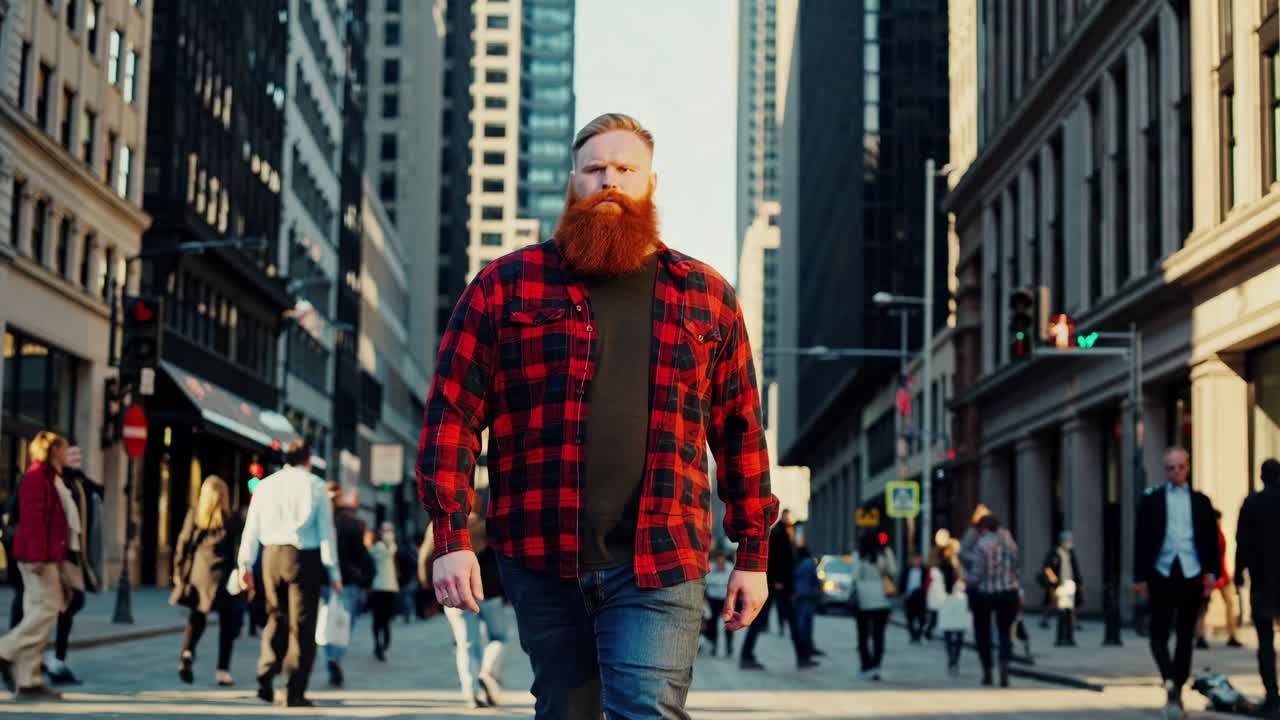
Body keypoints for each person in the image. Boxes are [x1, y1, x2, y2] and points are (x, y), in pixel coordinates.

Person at [419, 113, 777, 719]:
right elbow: (451, 413)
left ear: (650, 185)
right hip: (540, 554)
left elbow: (741, 430)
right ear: (573, 184)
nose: (610, 180)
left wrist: (753, 555)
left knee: (646, 709)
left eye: (625, 169)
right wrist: (451, 538)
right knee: (566, 710)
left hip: (663, 556)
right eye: (594, 169)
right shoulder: (505, 286)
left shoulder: (706, 294)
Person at [238, 440, 342, 708]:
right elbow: (326, 533)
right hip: (304, 558)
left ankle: (266, 674)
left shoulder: (265, 485)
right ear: (308, 459)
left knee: (276, 615)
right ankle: (294, 691)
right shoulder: (316, 486)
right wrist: (334, 571)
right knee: (303, 626)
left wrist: (244, 565)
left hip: (271, 556)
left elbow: (251, 528)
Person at [1134, 446, 1221, 714]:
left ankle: (1177, 687)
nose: (1176, 472)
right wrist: (1140, 577)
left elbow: (1211, 539)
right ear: (1166, 470)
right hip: (1161, 572)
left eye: (1180, 467)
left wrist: (1212, 573)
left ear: (1187, 467)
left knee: (1185, 635)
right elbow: (1140, 539)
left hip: (1191, 572)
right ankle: (1169, 677)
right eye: (1171, 468)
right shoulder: (1152, 500)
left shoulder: (1201, 501)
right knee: (1157, 636)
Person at [0, 432, 77, 700]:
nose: (68, 453)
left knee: (36, 612)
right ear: (53, 450)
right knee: (48, 607)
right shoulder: (36, 477)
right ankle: (5, 649)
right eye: (65, 448)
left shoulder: (49, 476)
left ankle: (28, 681)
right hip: (39, 558)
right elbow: (33, 520)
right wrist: (38, 556)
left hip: (45, 555)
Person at [429, 502, 509, 709]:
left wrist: (429, 588)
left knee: (466, 645)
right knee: (498, 638)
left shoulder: (442, 526)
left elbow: (425, 557)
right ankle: (487, 672)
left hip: (455, 592)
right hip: (490, 591)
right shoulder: (487, 526)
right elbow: (504, 556)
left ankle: (471, 694)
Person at [171, 476, 242, 687]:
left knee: (197, 617)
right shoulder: (231, 519)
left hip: (199, 574)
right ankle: (223, 671)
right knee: (227, 624)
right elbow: (236, 550)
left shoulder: (195, 515)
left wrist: (178, 572)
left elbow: (183, 543)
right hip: (223, 577)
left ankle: (187, 653)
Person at [1234, 458, 1280, 714]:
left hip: (1262, 581)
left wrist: (1238, 572)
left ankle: (1272, 694)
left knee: (1265, 641)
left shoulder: (1252, 503)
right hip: (1268, 580)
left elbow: (1242, 541)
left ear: (1262, 477)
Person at [324, 482, 370, 687]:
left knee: (324, 624)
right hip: (348, 581)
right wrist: (364, 577)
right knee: (344, 624)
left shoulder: (321, 520)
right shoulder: (351, 523)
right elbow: (361, 555)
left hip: (323, 580)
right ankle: (336, 657)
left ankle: (330, 657)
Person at [741, 510, 797, 670]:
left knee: (788, 620)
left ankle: (803, 654)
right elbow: (777, 559)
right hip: (775, 585)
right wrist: (777, 580)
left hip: (775, 584)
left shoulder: (780, 533)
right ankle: (746, 655)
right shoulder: (778, 533)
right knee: (761, 619)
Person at [969, 514, 1020, 688]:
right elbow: (1016, 565)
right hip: (1009, 592)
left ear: (984, 528)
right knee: (1005, 632)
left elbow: (977, 573)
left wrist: (969, 582)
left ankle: (987, 670)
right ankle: (1004, 664)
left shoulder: (982, 544)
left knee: (982, 633)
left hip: (986, 593)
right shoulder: (1010, 542)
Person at [852, 530, 896, 681]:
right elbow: (893, 571)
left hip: (863, 598)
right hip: (881, 597)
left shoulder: (859, 554)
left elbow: (855, 576)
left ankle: (866, 664)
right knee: (879, 635)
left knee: (863, 635)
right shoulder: (885, 553)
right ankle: (876, 665)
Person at [1196, 510, 1241, 649]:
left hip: (1221, 573)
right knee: (1203, 607)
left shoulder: (1218, 533)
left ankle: (1232, 634)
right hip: (1209, 574)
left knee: (1229, 603)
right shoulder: (1205, 534)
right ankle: (1200, 636)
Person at [1040, 531, 1083, 646]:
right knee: (1055, 604)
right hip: (1058, 584)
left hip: (1069, 582)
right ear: (1062, 541)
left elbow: (1075, 567)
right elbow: (1047, 568)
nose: (1069, 542)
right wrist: (1054, 581)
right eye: (1067, 540)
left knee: (1070, 606)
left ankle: (1072, 625)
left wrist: (1078, 581)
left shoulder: (1070, 553)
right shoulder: (1054, 552)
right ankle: (1047, 620)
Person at [367, 523, 400, 661]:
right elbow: (383, 553)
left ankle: (383, 643)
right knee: (378, 619)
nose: (388, 534)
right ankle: (378, 645)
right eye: (386, 531)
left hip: (389, 588)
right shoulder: (378, 548)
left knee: (385, 618)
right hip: (378, 588)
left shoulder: (392, 547)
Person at [936, 544, 968, 676]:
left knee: (959, 633)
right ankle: (951, 658)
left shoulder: (959, 567)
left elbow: (965, 581)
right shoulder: (940, 568)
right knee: (948, 633)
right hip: (947, 601)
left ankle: (955, 659)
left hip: (959, 601)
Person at [790, 547, 821, 669]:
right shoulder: (809, 563)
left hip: (798, 596)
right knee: (806, 626)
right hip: (807, 596)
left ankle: (805, 651)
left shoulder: (798, 564)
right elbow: (814, 579)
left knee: (801, 625)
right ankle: (807, 651)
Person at [702, 551, 734, 657]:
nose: (721, 564)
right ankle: (714, 646)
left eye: (722, 562)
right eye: (718, 562)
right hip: (713, 600)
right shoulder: (710, 569)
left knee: (728, 623)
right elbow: (704, 586)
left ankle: (729, 646)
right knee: (713, 624)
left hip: (726, 600)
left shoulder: (730, 569)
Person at [900, 553, 928, 643]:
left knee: (922, 618)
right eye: (915, 559)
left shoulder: (924, 571)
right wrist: (902, 594)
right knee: (909, 618)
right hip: (909, 597)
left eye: (918, 560)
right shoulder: (907, 570)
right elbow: (902, 582)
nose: (916, 561)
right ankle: (912, 635)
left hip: (920, 597)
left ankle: (918, 634)